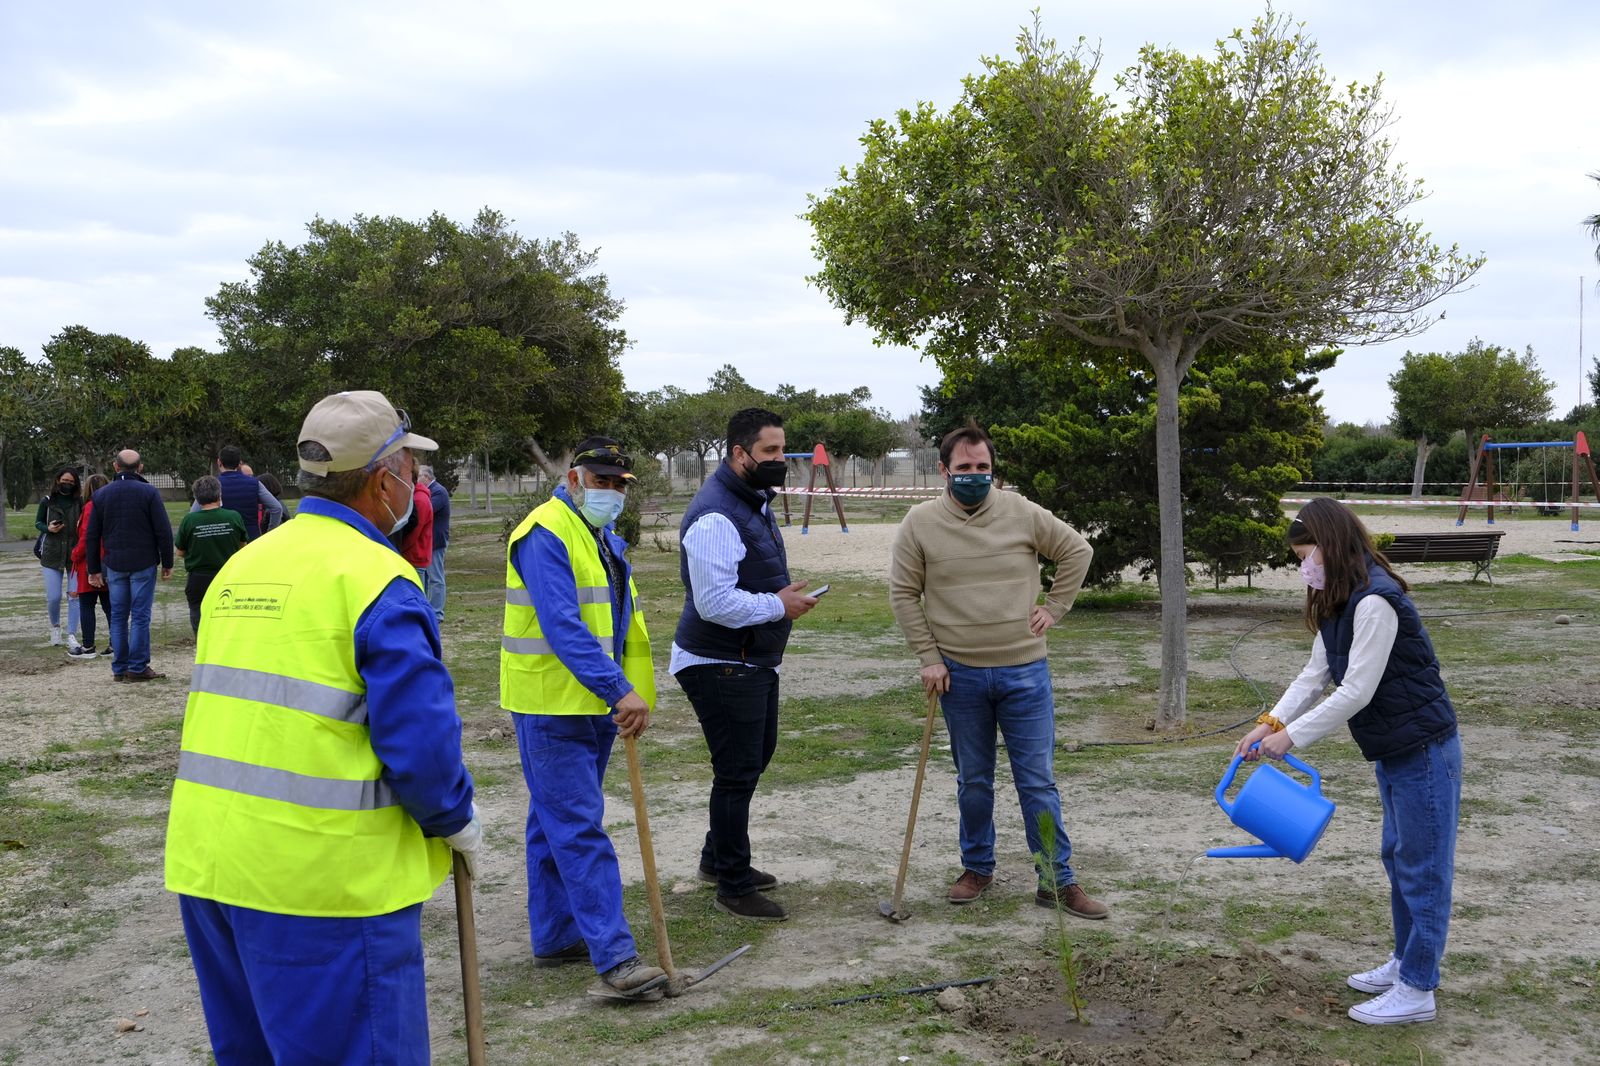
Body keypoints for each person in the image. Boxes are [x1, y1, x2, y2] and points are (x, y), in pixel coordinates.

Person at [165, 389, 479, 1063]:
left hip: (212, 864)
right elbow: (420, 748)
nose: (415, 483)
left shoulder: (245, 566)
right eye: (410, 469)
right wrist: (456, 821)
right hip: (322, 882)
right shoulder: (377, 580)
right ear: (384, 479)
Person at [1234, 498, 1461, 1027]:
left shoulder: (1376, 602)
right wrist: (1269, 722)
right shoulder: (1339, 599)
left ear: (1332, 546)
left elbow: (1357, 690)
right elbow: (1314, 675)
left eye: (1306, 555)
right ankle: (1407, 962)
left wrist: (1290, 738)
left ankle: (1417, 988)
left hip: (1425, 750)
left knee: (1423, 869)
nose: (1303, 567)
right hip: (1395, 748)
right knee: (1398, 857)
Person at [888, 421, 1107, 919]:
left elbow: (1078, 549)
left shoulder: (1021, 511)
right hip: (958, 674)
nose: (974, 475)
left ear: (994, 470)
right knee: (974, 782)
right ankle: (977, 867)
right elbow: (903, 592)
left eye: (982, 467)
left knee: (1038, 782)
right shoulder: (919, 522)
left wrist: (1054, 606)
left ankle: (1056, 880)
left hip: (1024, 672)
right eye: (964, 468)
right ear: (944, 470)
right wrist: (928, 657)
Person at [501, 436, 665, 999]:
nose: (613, 492)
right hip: (552, 705)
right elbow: (562, 624)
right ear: (574, 478)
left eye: (621, 484)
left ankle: (554, 936)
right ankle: (616, 959)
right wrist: (619, 689)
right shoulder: (545, 533)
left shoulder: (600, 537)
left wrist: (617, 692)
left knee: (552, 823)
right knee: (577, 827)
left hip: (590, 704)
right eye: (603, 481)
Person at [673, 408, 817, 923]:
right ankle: (733, 883)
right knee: (735, 772)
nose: (781, 461)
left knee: (755, 757)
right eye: (771, 452)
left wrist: (779, 597)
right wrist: (779, 606)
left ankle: (718, 857)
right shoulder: (716, 515)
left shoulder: (750, 501)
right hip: (719, 661)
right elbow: (714, 603)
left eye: (783, 450)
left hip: (747, 659)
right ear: (740, 454)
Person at [85, 450, 174, 682]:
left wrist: (93, 569)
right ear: (140, 468)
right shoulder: (149, 492)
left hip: (114, 562)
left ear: (115, 467)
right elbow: (163, 530)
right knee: (140, 616)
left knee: (118, 616)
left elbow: (92, 535)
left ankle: (119, 667)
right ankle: (137, 666)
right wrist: (167, 561)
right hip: (143, 561)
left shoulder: (102, 495)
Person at [174, 475, 246, 635]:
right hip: (227, 575)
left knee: (198, 612)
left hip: (198, 577)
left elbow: (180, 551)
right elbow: (243, 546)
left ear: (197, 499)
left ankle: (202, 645)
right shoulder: (233, 516)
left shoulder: (190, 520)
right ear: (219, 494)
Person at [35, 467, 84, 651]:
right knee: (54, 597)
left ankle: (72, 633)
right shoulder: (47, 502)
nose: (67, 484)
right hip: (52, 553)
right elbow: (38, 522)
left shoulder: (79, 502)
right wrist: (48, 528)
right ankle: (55, 627)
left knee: (74, 596)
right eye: (64, 480)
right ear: (57, 480)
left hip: (74, 554)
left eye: (71, 482)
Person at [189, 446, 282, 541]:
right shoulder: (255, 483)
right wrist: (269, 534)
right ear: (240, 464)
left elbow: (193, 514)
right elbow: (277, 508)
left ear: (219, 462)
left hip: (223, 541)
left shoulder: (212, 484)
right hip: (250, 540)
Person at [69, 474, 112, 660]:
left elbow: (87, 537)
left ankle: (88, 646)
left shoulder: (89, 507)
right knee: (110, 605)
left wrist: (75, 554)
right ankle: (115, 643)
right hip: (109, 562)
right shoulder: (111, 507)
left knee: (87, 605)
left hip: (90, 562)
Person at [420, 465, 450, 623]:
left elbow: (427, 510)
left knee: (436, 577)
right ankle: (428, 609)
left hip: (436, 541)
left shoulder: (438, 491)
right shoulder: (431, 491)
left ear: (426, 477)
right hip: (428, 540)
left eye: (418, 477)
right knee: (426, 576)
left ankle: (437, 613)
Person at [398, 468, 434, 587]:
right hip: (416, 555)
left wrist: (400, 550)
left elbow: (415, 532)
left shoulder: (420, 500)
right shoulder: (418, 497)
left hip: (415, 556)